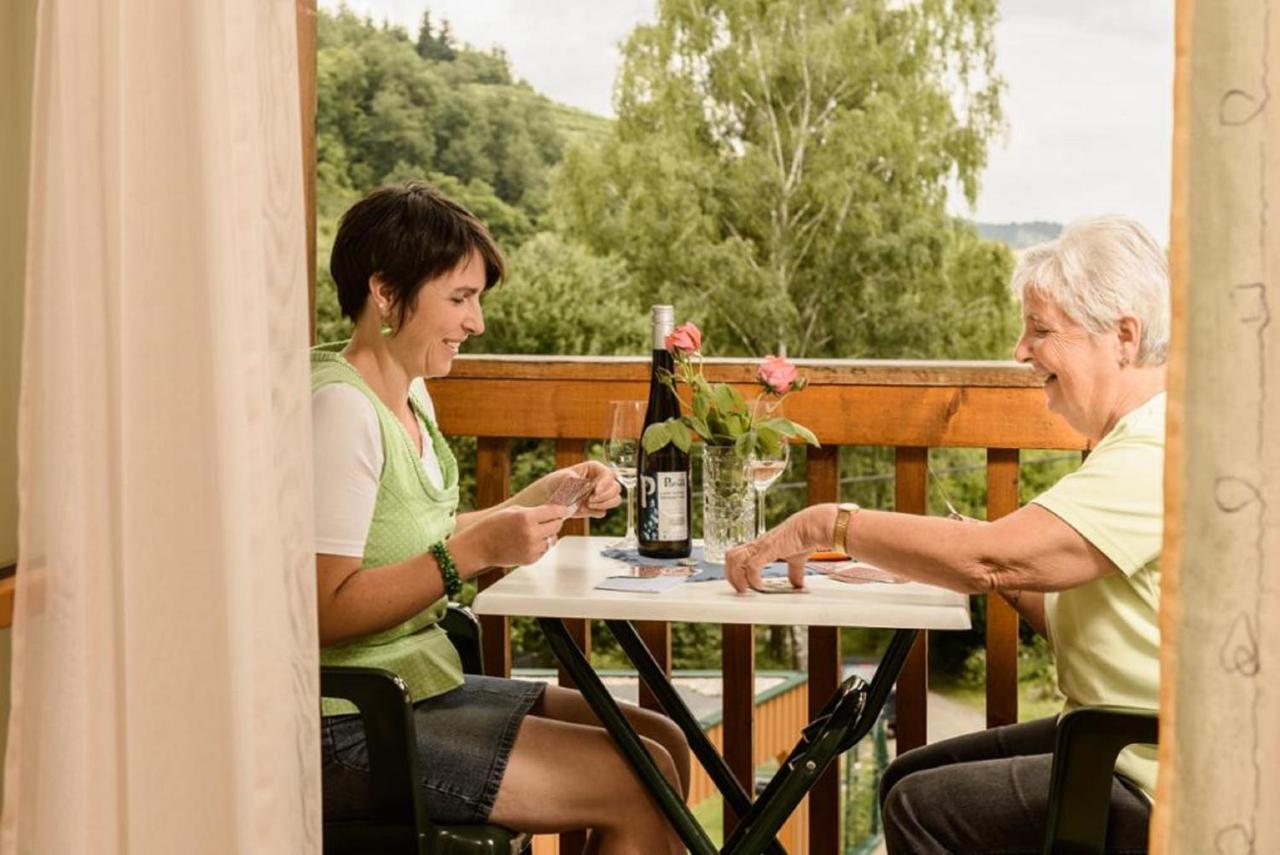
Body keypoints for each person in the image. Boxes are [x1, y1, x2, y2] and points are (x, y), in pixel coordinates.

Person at [725, 215, 1168, 853]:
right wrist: (956, 558)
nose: (1020, 350)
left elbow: (994, 560)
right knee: (908, 774)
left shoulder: (1152, 453)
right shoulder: (1141, 439)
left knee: (922, 807)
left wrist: (831, 523)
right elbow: (1056, 587)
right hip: (1116, 738)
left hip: (1149, 770)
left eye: (1041, 330)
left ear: (1123, 337)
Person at [314, 182, 688, 855]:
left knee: (664, 740)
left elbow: (417, 535)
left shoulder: (408, 390)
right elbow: (323, 608)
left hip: (418, 686)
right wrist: (471, 553)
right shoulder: (340, 414)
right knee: (643, 778)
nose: (476, 321)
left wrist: (549, 492)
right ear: (385, 292)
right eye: (459, 298)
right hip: (347, 725)